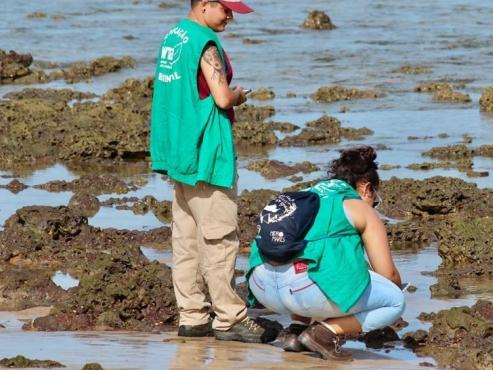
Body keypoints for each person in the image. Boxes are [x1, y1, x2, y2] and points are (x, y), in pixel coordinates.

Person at [150, 0, 275, 343]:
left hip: (179, 150)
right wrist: (238, 96)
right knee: (219, 238)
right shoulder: (204, 42)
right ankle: (229, 318)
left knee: (186, 239)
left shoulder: (173, 37)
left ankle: (192, 315)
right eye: (227, 9)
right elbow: (220, 97)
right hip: (207, 151)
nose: (231, 17)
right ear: (204, 5)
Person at [246, 146, 405, 360]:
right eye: (375, 200)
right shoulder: (358, 206)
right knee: (395, 300)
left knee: (309, 259)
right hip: (301, 291)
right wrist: (386, 310)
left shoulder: (304, 197)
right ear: (366, 188)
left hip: (263, 289)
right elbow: (389, 275)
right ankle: (323, 333)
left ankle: (295, 330)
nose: (373, 206)